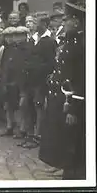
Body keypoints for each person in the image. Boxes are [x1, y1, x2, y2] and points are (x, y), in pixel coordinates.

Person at [39, 0, 85, 179]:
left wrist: (74, 106)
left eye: (66, 20)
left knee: (67, 133)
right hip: (58, 93)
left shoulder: (81, 44)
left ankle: (67, 165)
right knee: (56, 129)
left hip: (70, 97)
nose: (63, 23)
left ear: (76, 21)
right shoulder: (71, 40)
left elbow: (81, 78)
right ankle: (58, 162)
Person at [20, 12, 57, 149]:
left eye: (37, 22)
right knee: (27, 106)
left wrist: (36, 68)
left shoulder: (50, 41)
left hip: (40, 81)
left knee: (38, 106)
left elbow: (50, 63)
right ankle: (29, 135)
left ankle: (37, 136)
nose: (34, 25)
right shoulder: (32, 39)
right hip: (28, 79)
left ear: (45, 24)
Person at [0, 26, 32, 138]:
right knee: (8, 104)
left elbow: (26, 65)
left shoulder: (28, 48)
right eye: (15, 35)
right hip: (9, 79)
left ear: (25, 36)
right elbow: (5, 63)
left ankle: (22, 128)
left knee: (22, 106)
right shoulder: (10, 48)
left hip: (21, 80)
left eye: (20, 35)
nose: (16, 37)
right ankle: (9, 126)